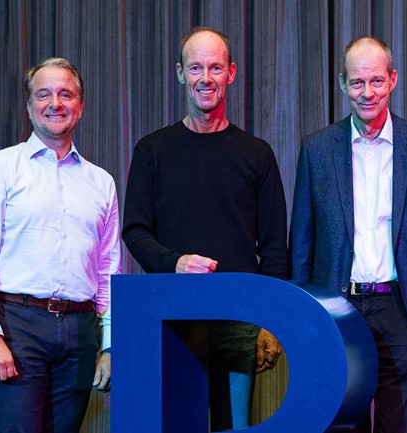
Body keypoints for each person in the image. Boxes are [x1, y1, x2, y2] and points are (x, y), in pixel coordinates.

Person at [121, 26, 288, 431]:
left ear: (231, 73)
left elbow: (275, 248)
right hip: (172, 318)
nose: (205, 78)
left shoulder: (257, 154)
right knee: (177, 425)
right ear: (180, 74)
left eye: (215, 67)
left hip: (239, 320)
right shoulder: (152, 151)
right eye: (196, 67)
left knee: (234, 427)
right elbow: (135, 230)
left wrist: (272, 320)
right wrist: (174, 262)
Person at [290, 37, 407, 433]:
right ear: (343, 84)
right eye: (357, 82)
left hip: (402, 309)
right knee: (342, 425)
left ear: (393, 80)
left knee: (402, 425)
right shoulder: (317, 150)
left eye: (376, 81)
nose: (367, 92)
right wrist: (305, 317)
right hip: (337, 308)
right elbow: (303, 243)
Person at [0, 58, 119, 432]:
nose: (54, 103)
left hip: (81, 329)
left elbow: (109, 270)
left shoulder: (101, 182)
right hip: (19, 326)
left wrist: (110, 344)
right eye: (43, 94)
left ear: (80, 106)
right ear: (29, 107)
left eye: (66, 94)